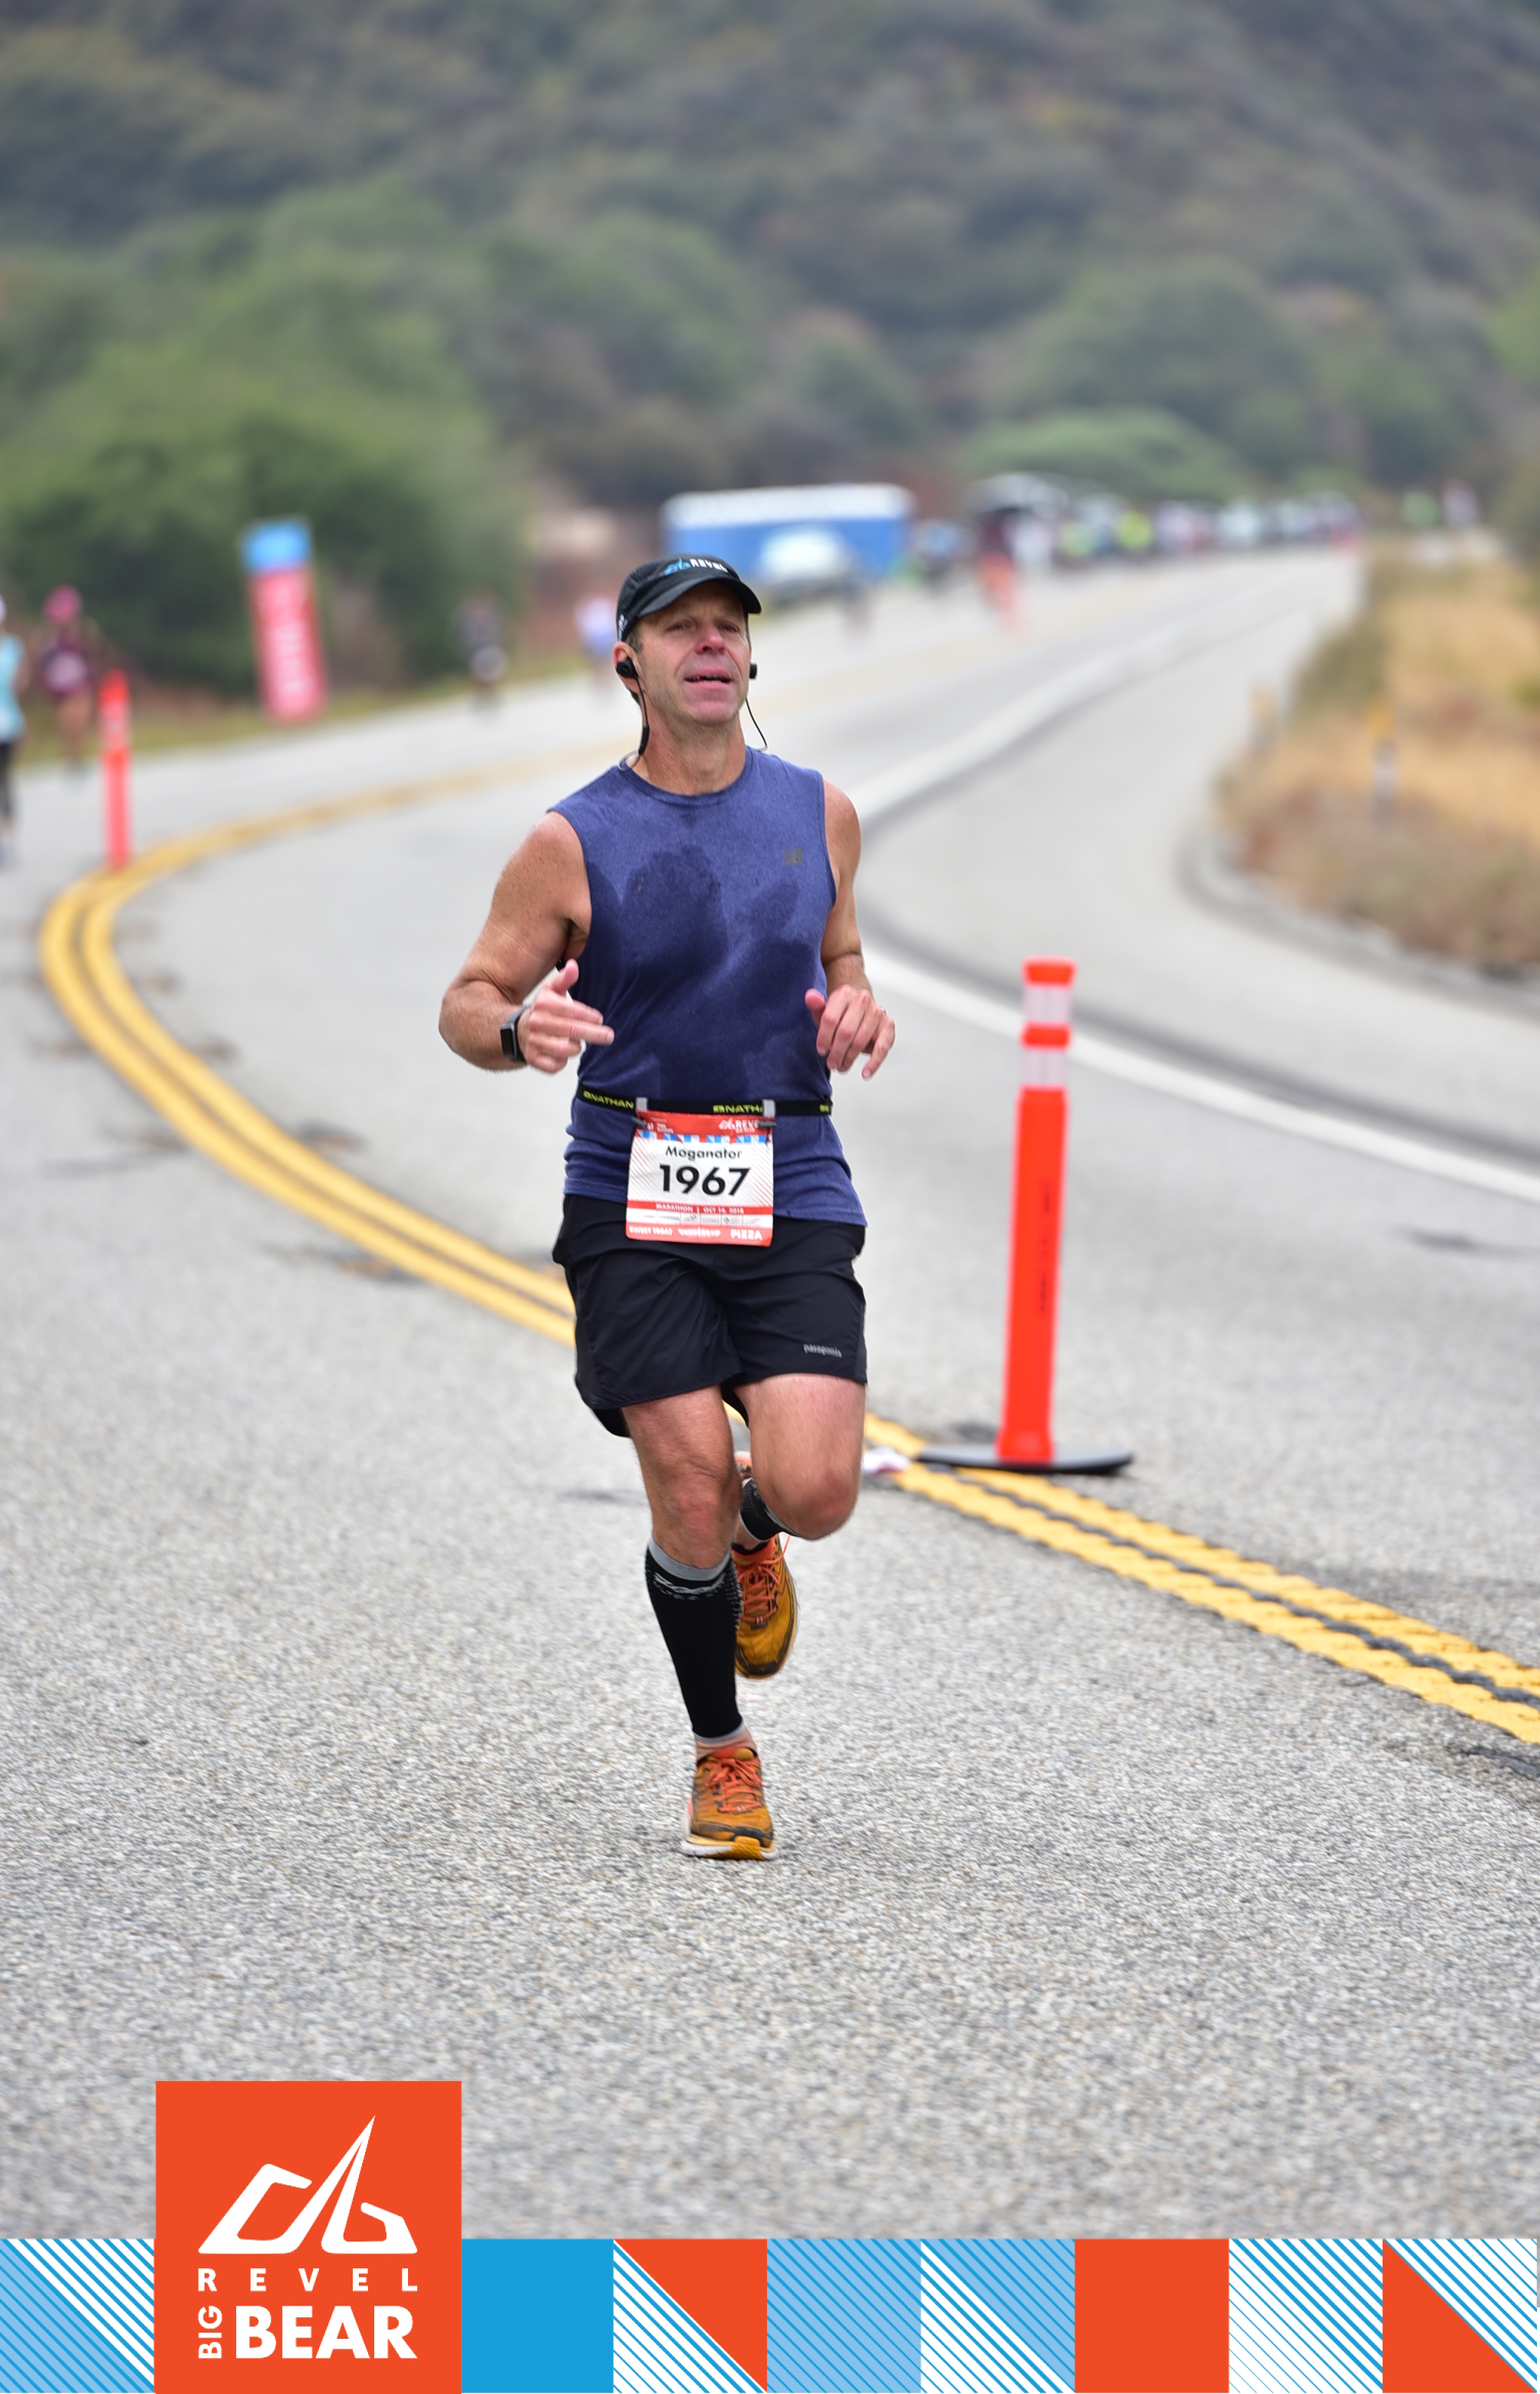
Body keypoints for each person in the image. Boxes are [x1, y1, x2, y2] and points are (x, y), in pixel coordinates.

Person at [439, 555, 895, 1859]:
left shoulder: (819, 811)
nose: (708, 644)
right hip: (631, 1185)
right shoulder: (570, 840)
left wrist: (856, 1003)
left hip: (787, 1168)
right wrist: (518, 1029)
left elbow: (839, 952)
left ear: (750, 659)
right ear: (628, 665)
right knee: (685, 1486)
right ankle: (721, 1751)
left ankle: (760, 1533)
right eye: (678, 628)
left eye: (727, 627)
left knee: (814, 1488)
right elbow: (468, 1000)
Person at [34, 585, 95, 768]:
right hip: (60, 686)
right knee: (67, 720)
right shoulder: (47, 638)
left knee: (82, 717)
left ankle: (79, 753)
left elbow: (93, 655)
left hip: (81, 682)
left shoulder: (83, 633)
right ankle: (71, 755)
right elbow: (40, 662)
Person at [0, 599, 29, 860]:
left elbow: (21, 685)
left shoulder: (13, 648)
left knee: (5, 780)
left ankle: (8, 838)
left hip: (7, 723)